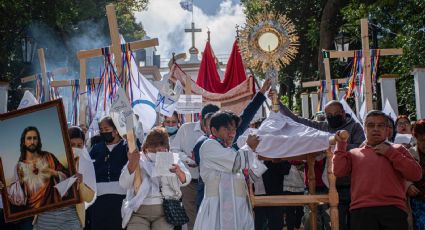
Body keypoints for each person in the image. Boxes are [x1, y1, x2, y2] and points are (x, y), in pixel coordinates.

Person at [275, 94, 365, 230]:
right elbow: (297, 120)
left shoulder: (355, 127)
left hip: (353, 185)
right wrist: (278, 103)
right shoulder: (323, 127)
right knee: (336, 223)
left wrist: (337, 146)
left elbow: (360, 147)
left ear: (343, 113)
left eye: (335, 114)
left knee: (356, 223)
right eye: (329, 115)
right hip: (332, 186)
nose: (332, 117)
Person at [333, 110, 422, 230]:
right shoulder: (354, 153)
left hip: (393, 210)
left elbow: (416, 174)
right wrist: (341, 145)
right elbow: (338, 171)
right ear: (364, 129)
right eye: (371, 125)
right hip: (361, 211)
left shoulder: (398, 149)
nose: (375, 129)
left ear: (387, 129)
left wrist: (391, 153)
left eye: (380, 125)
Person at [194, 111, 259, 230]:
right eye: (227, 129)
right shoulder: (209, 146)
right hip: (216, 208)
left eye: (234, 129)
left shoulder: (231, 149)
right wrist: (249, 147)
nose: (232, 134)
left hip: (239, 208)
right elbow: (235, 162)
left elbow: (255, 174)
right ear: (214, 131)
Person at [120, 127, 191, 230]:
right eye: (154, 147)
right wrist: (132, 164)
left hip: (164, 211)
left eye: (162, 146)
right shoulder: (137, 158)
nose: (158, 150)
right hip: (138, 212)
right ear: (146, 147)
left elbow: (186, 180)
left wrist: (179, 172)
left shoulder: (172, 159)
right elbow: (123, 184)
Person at [32, 127, 96, 230]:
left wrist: (81, 183)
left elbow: (89, 198)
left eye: (79, 145)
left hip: (71, 218)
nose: (75, 148)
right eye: (72, 145)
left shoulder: (86, 164)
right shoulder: (49, 159)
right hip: (46, 216)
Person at [2, 126, 69, 210]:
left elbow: (67, 177)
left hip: (54, 209)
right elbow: (14, 195)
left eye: (35, 138)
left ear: (38, 140)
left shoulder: (49, 157)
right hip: (32, 213)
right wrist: (4, 186)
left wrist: (53, 173)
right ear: (24, 142)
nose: (32, 141)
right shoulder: (19, 166)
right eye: (29, 138)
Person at [89, 116, 128, 230]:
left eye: (106, 129)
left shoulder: (126, 146)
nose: (103, 132)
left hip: (120, 199)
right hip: (99, 200)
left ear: (116, 130)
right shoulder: (96, 148)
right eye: (101, 130)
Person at [407, 120, 425, 229]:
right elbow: (401, 175)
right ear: (416, 138)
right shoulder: (410, 154)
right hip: (418, 204)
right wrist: (408, 185)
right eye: (422, 140)